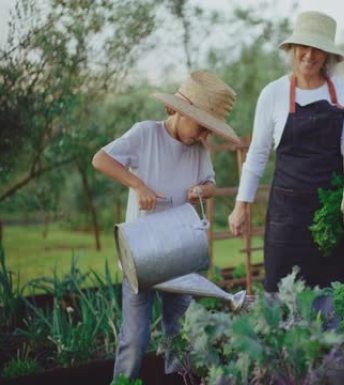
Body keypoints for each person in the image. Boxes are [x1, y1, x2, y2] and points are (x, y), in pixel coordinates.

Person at [228, 11, 344, 294]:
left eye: (318, 50)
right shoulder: (272, 94)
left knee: (332, 292)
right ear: (293, 49)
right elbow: (258, 155)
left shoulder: (340, 90)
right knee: (283, 294)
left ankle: (335, 339)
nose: (310, 55)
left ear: (327, 56)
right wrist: (241, 205)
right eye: (304, 47)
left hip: (331, 212)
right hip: (287, 216)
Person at [92, 71, 239, 381]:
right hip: (141, 255)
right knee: (135, 340)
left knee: (180, 333)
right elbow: (100, 159)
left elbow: (210, 184)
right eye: (201, 127)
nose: (202, 137)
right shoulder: (145, 134)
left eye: (208, 132)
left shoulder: (198, 150)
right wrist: (138, 185)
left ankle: (179, 380)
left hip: (181, 255)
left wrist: (200, 191)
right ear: (181, 112)